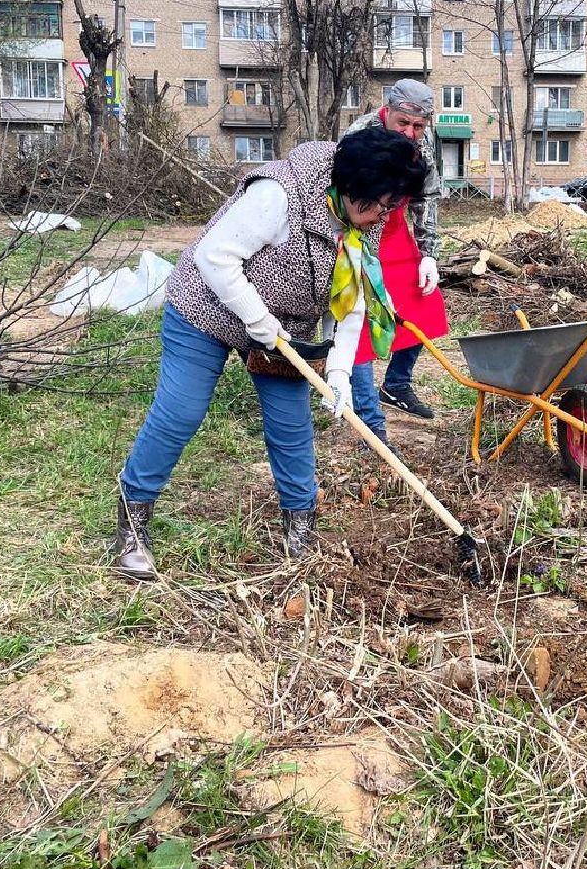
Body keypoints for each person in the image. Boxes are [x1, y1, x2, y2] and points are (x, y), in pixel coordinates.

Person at [112, 128, 429, 580]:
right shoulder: (279, 194)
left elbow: (352, 302)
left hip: (285, 329)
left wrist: (338, 371)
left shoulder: (365, 223)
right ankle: (132, 518)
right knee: (181, 411)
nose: (383, 214)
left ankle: (300, 529)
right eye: (380, 202)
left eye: (391, 205)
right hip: (206, 306)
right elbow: (215, 256)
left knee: (291, 427)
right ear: (353, 183)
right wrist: (260, 324)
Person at [343, 80, 448, 427]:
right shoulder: (359, 136)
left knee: (423, 302)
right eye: (403, 122)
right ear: (387, 111)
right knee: (359, 316)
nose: (409, 132)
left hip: (394, 229)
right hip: (357, 228)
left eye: (418, 126)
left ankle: (396, 385)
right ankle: (366, 411)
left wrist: (428, 253)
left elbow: (425, 197)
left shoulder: (423, 142)